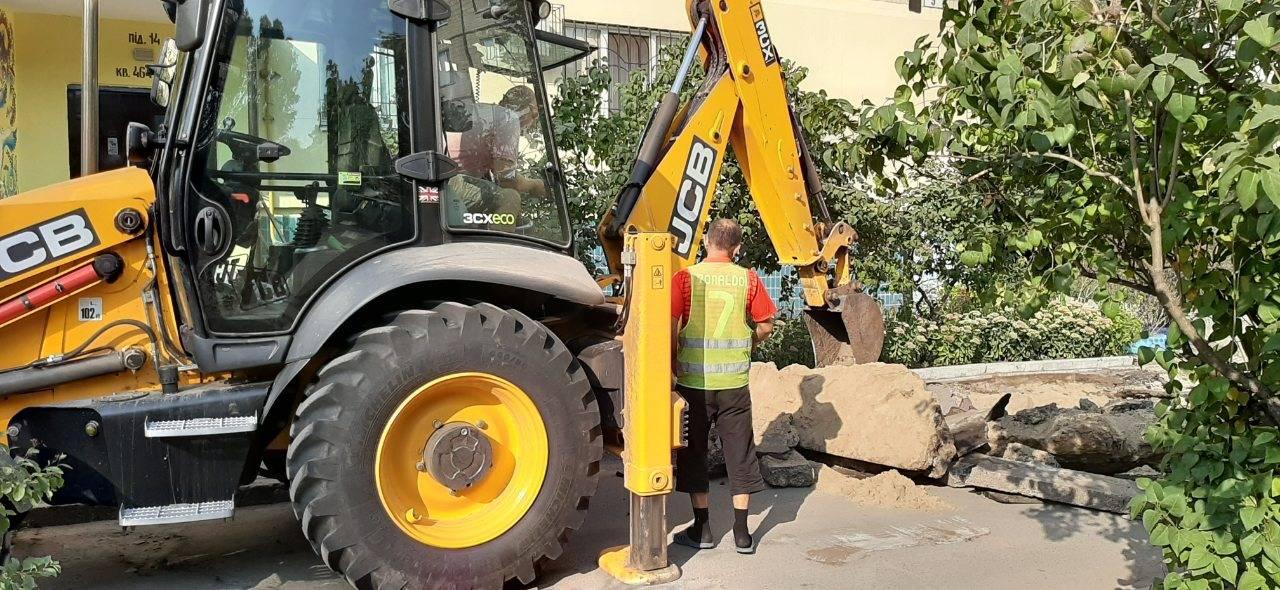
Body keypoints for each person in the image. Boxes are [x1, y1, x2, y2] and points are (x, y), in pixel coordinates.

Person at [671, 218, 777, 555]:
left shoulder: (685, 278)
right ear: (738, 248)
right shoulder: (748, 279)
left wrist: (672, 364)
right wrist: (748, 341)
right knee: (740, 453)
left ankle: (702, 529)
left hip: (693, 384)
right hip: (734, 385)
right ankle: (742, 532)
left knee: (694, 453)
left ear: (705, 242)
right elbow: (765, 325)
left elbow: (670, 327)